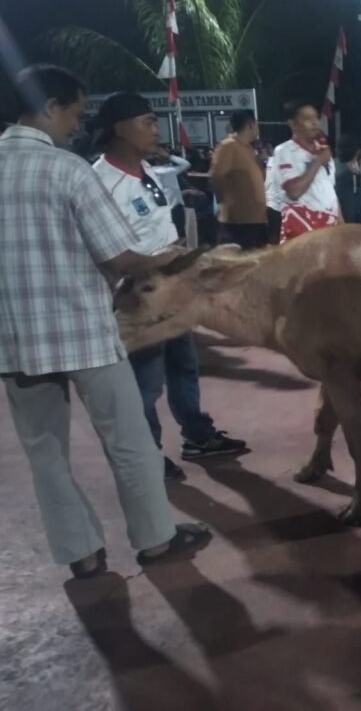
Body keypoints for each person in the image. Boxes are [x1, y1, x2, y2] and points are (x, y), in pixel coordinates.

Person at [1, 65, 211, 578]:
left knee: (46, 452)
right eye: (74, 113)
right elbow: (119, 257)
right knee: (129, 440)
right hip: (84, 331)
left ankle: (82, 554)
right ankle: (155, 539)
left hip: (13, 338)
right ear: (50, 106)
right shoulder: (68, 170)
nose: (77, 125)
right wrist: (171, 259)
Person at [92, 93, 247, 480]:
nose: (156, 129)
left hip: (172, 285)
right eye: (147, 121)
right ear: (119, 128)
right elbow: (108, 253)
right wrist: (159, 261)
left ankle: (198, 435)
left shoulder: (144, 169)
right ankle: (147, 454)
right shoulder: (101, 182)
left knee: (183, 366)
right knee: (145, 382)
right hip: (138, 298)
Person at [272, 101, 342, 243]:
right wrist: (318, 161)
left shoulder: (324, 152)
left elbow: (330, 192)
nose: (315, 123)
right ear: (293, 124)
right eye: (307, 119)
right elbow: (294, 192)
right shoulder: (284, 151)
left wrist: (342, 227)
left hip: (329, 229)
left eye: (316, 118)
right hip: (301, 231)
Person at [211, 109, 268, 249]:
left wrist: (261, 160)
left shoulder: (250, 149)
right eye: (257, 124)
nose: (258, 128)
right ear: (250, 125)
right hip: (238, 222)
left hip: (256, 219)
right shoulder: (228, 145)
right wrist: (225, 201)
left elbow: (262, 178)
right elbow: (217, 175)